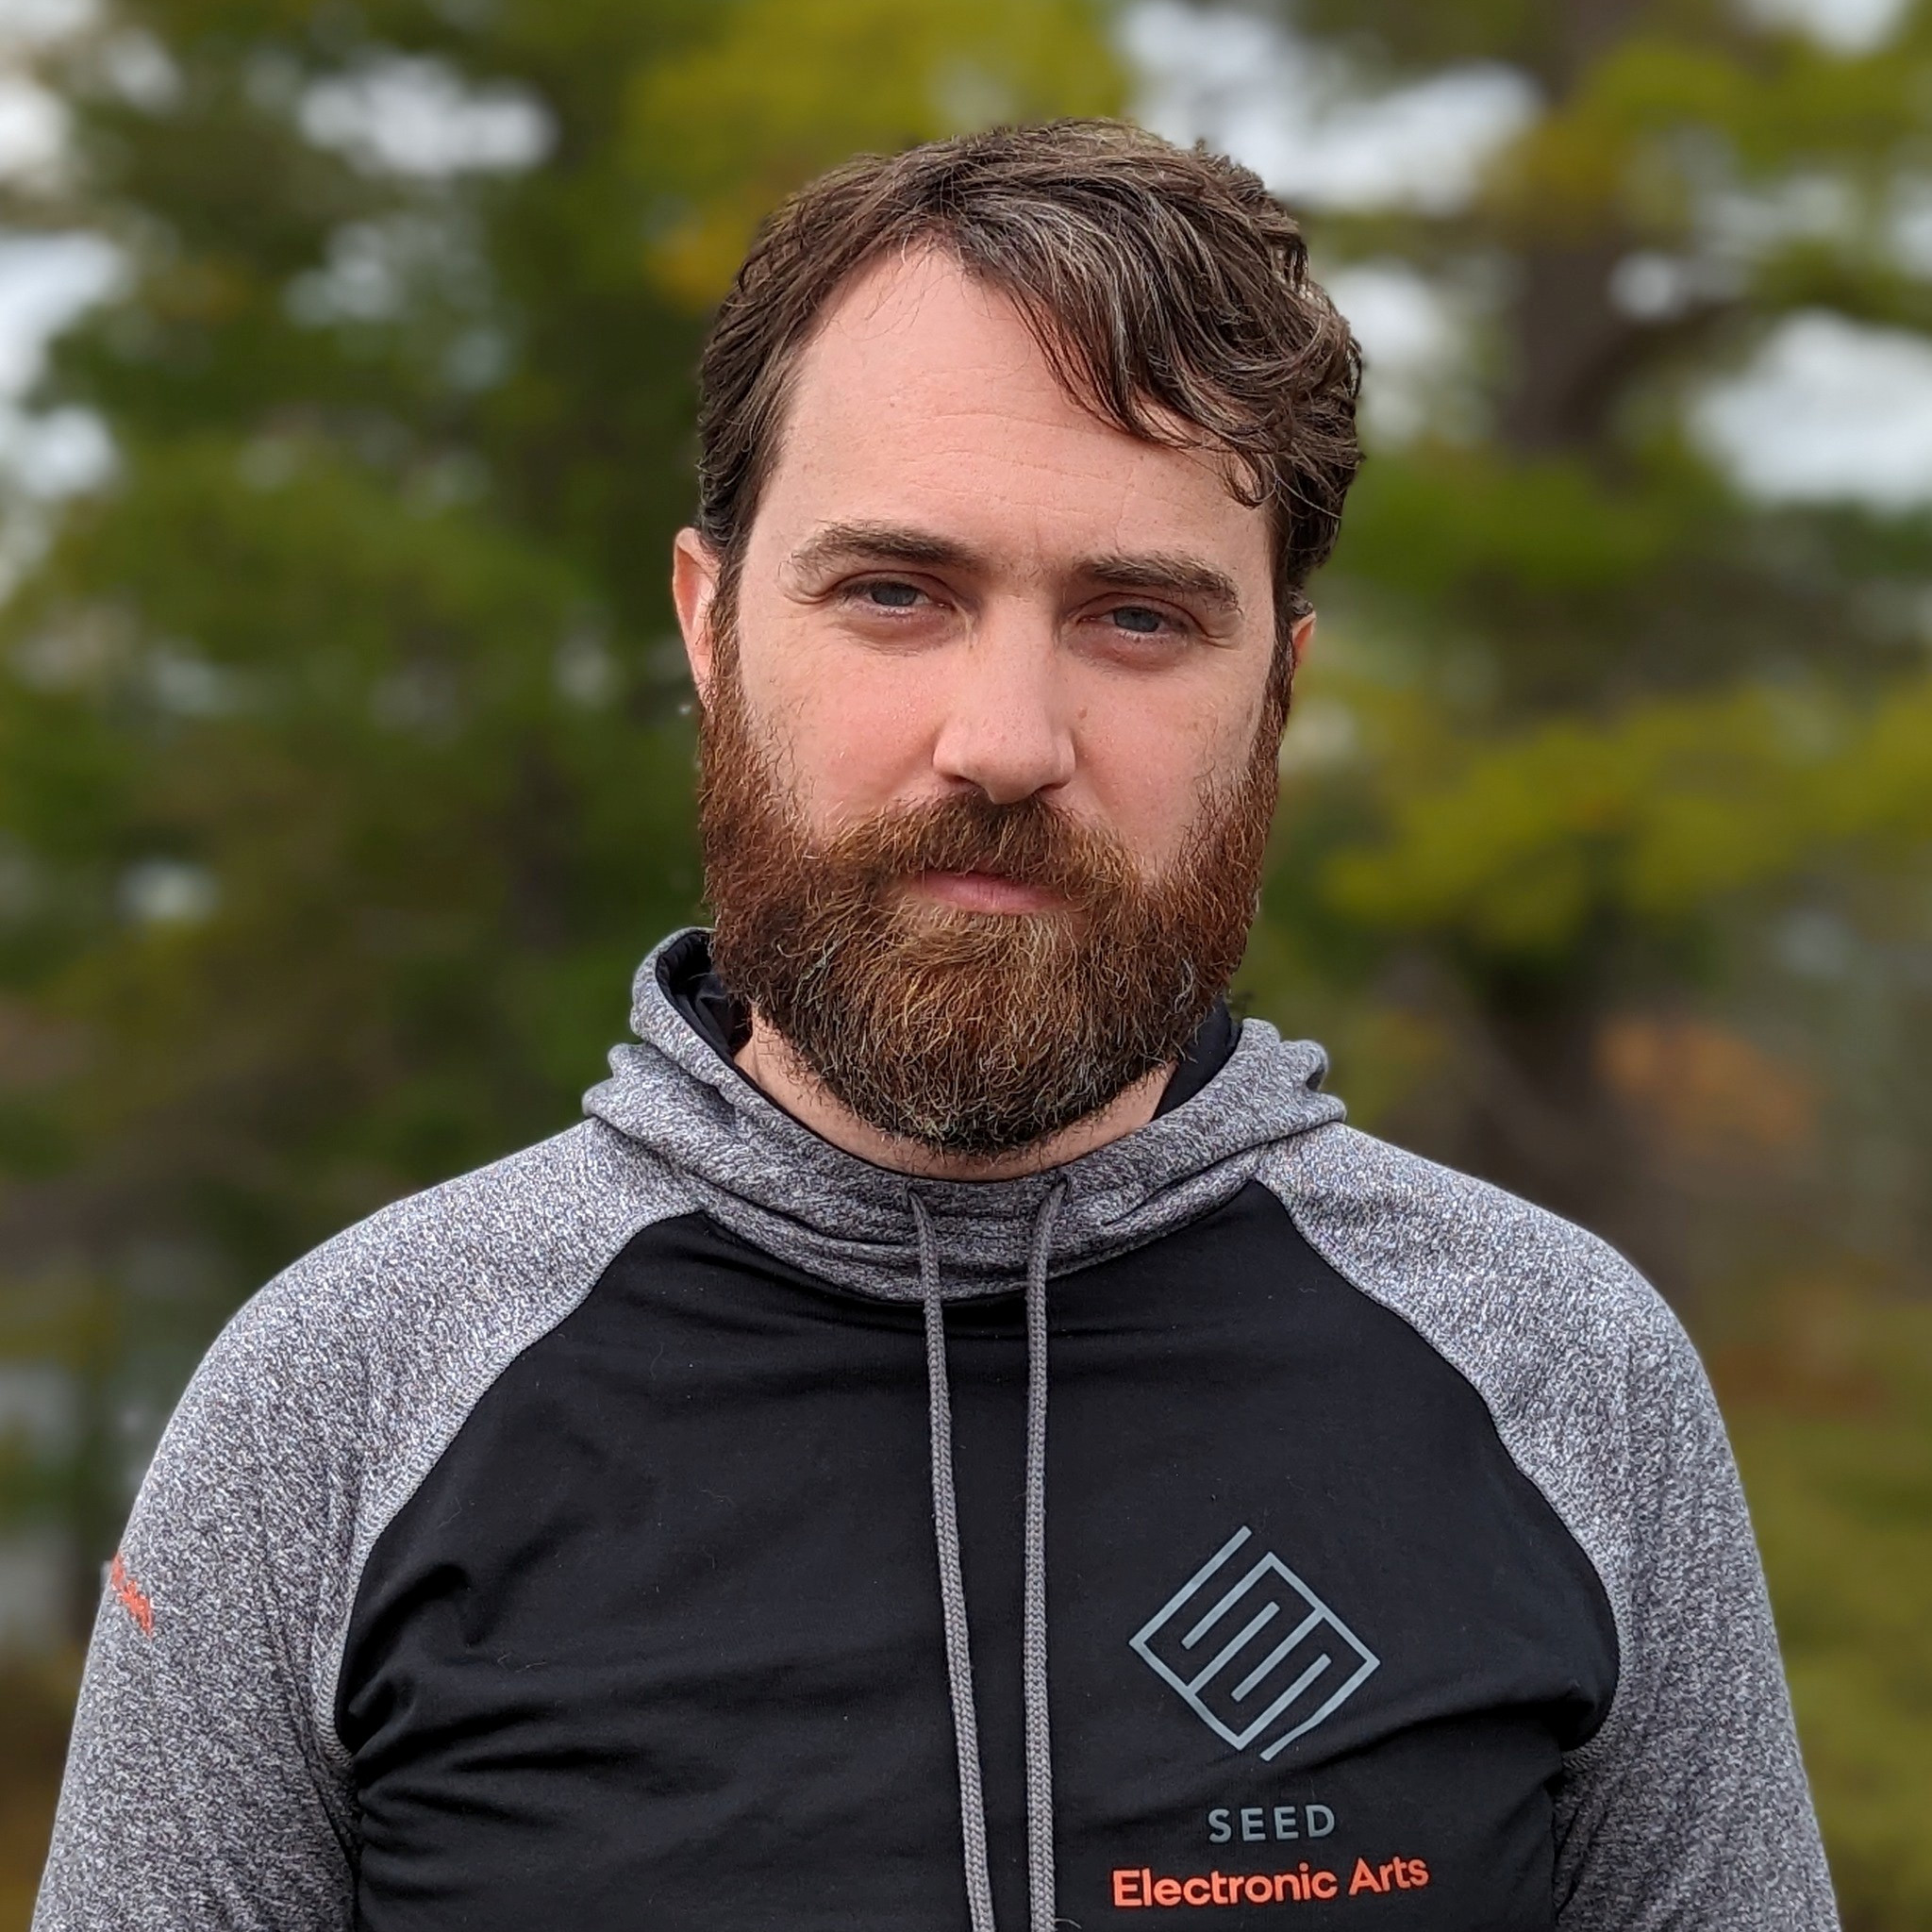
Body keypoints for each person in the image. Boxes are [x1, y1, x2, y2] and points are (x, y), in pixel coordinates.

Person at [34, 121, 1836, 1932]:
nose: (1006, 741)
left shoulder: (1561, 1379)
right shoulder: (345, 1404)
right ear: (711, 629)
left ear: (1277, 695)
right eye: (896, 592)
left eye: (1140, 617)